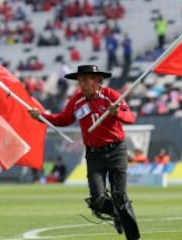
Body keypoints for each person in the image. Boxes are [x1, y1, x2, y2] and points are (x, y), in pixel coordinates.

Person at [29, 65, 140, 240]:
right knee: (97, 200)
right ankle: (117, 215)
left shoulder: (111, 96)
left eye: (87, 79)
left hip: (116, 151)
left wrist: (117, 113)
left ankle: (133, 237)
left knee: (119, 196)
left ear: (98, 81)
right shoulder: (77, 101)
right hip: (94, 155)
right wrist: (42, 116)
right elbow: (63, 119)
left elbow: (131, 117)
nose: (83, 84)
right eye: (80, 80)